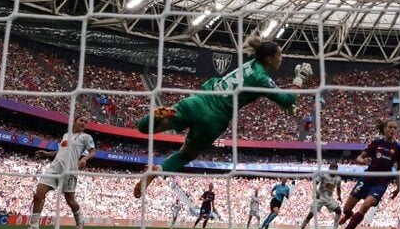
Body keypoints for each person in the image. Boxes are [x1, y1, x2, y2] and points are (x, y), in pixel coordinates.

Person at [133, 33, 313, 197]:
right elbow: (288, 98)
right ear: (269, 58)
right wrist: (300, 78)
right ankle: (157, 169)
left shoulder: (249, 65)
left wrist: (286, 105)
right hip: (214, 119)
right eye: (279, 55)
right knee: (186, 155)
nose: (282, 59)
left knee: (146, 129)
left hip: (198, 101)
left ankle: (156, 115)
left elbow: (277, 97)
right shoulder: (262, 78)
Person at [18, 114, 95, 229]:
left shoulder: (86, 137)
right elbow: (61, 152)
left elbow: (93, 151)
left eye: (86, 122)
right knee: (38, 195)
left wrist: (84, 159)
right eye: (81, 120)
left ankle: (80, 222)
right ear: (74, 122)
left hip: (70, 170)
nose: (83, 123)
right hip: (54, 168)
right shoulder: (66, 135)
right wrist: (48, 153)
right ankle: (34, 227)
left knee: (70, 200)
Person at [335, 119, 400, 229]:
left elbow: (399, 169)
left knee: (366, 205)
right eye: (390, 127)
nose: (393, 130)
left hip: (380, 184)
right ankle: (348, 215)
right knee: (346, 209)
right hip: (366, 179)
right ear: (384, 129)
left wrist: (398, 188)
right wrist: (361, 161)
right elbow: (360, 157)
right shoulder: (376, 143)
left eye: (395, 128)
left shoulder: (398, 149)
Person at [296, 163, 343, 229]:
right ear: (329, 168)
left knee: (339, 210)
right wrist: (315, 193)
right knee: (310, 215)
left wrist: (339, 197)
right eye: (332, 167)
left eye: (335, 168)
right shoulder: (324, 175)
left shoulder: (338, 178)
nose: (333, 169)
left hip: (329, 199)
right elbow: (315, 182)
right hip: (320, 197)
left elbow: (338, 188)